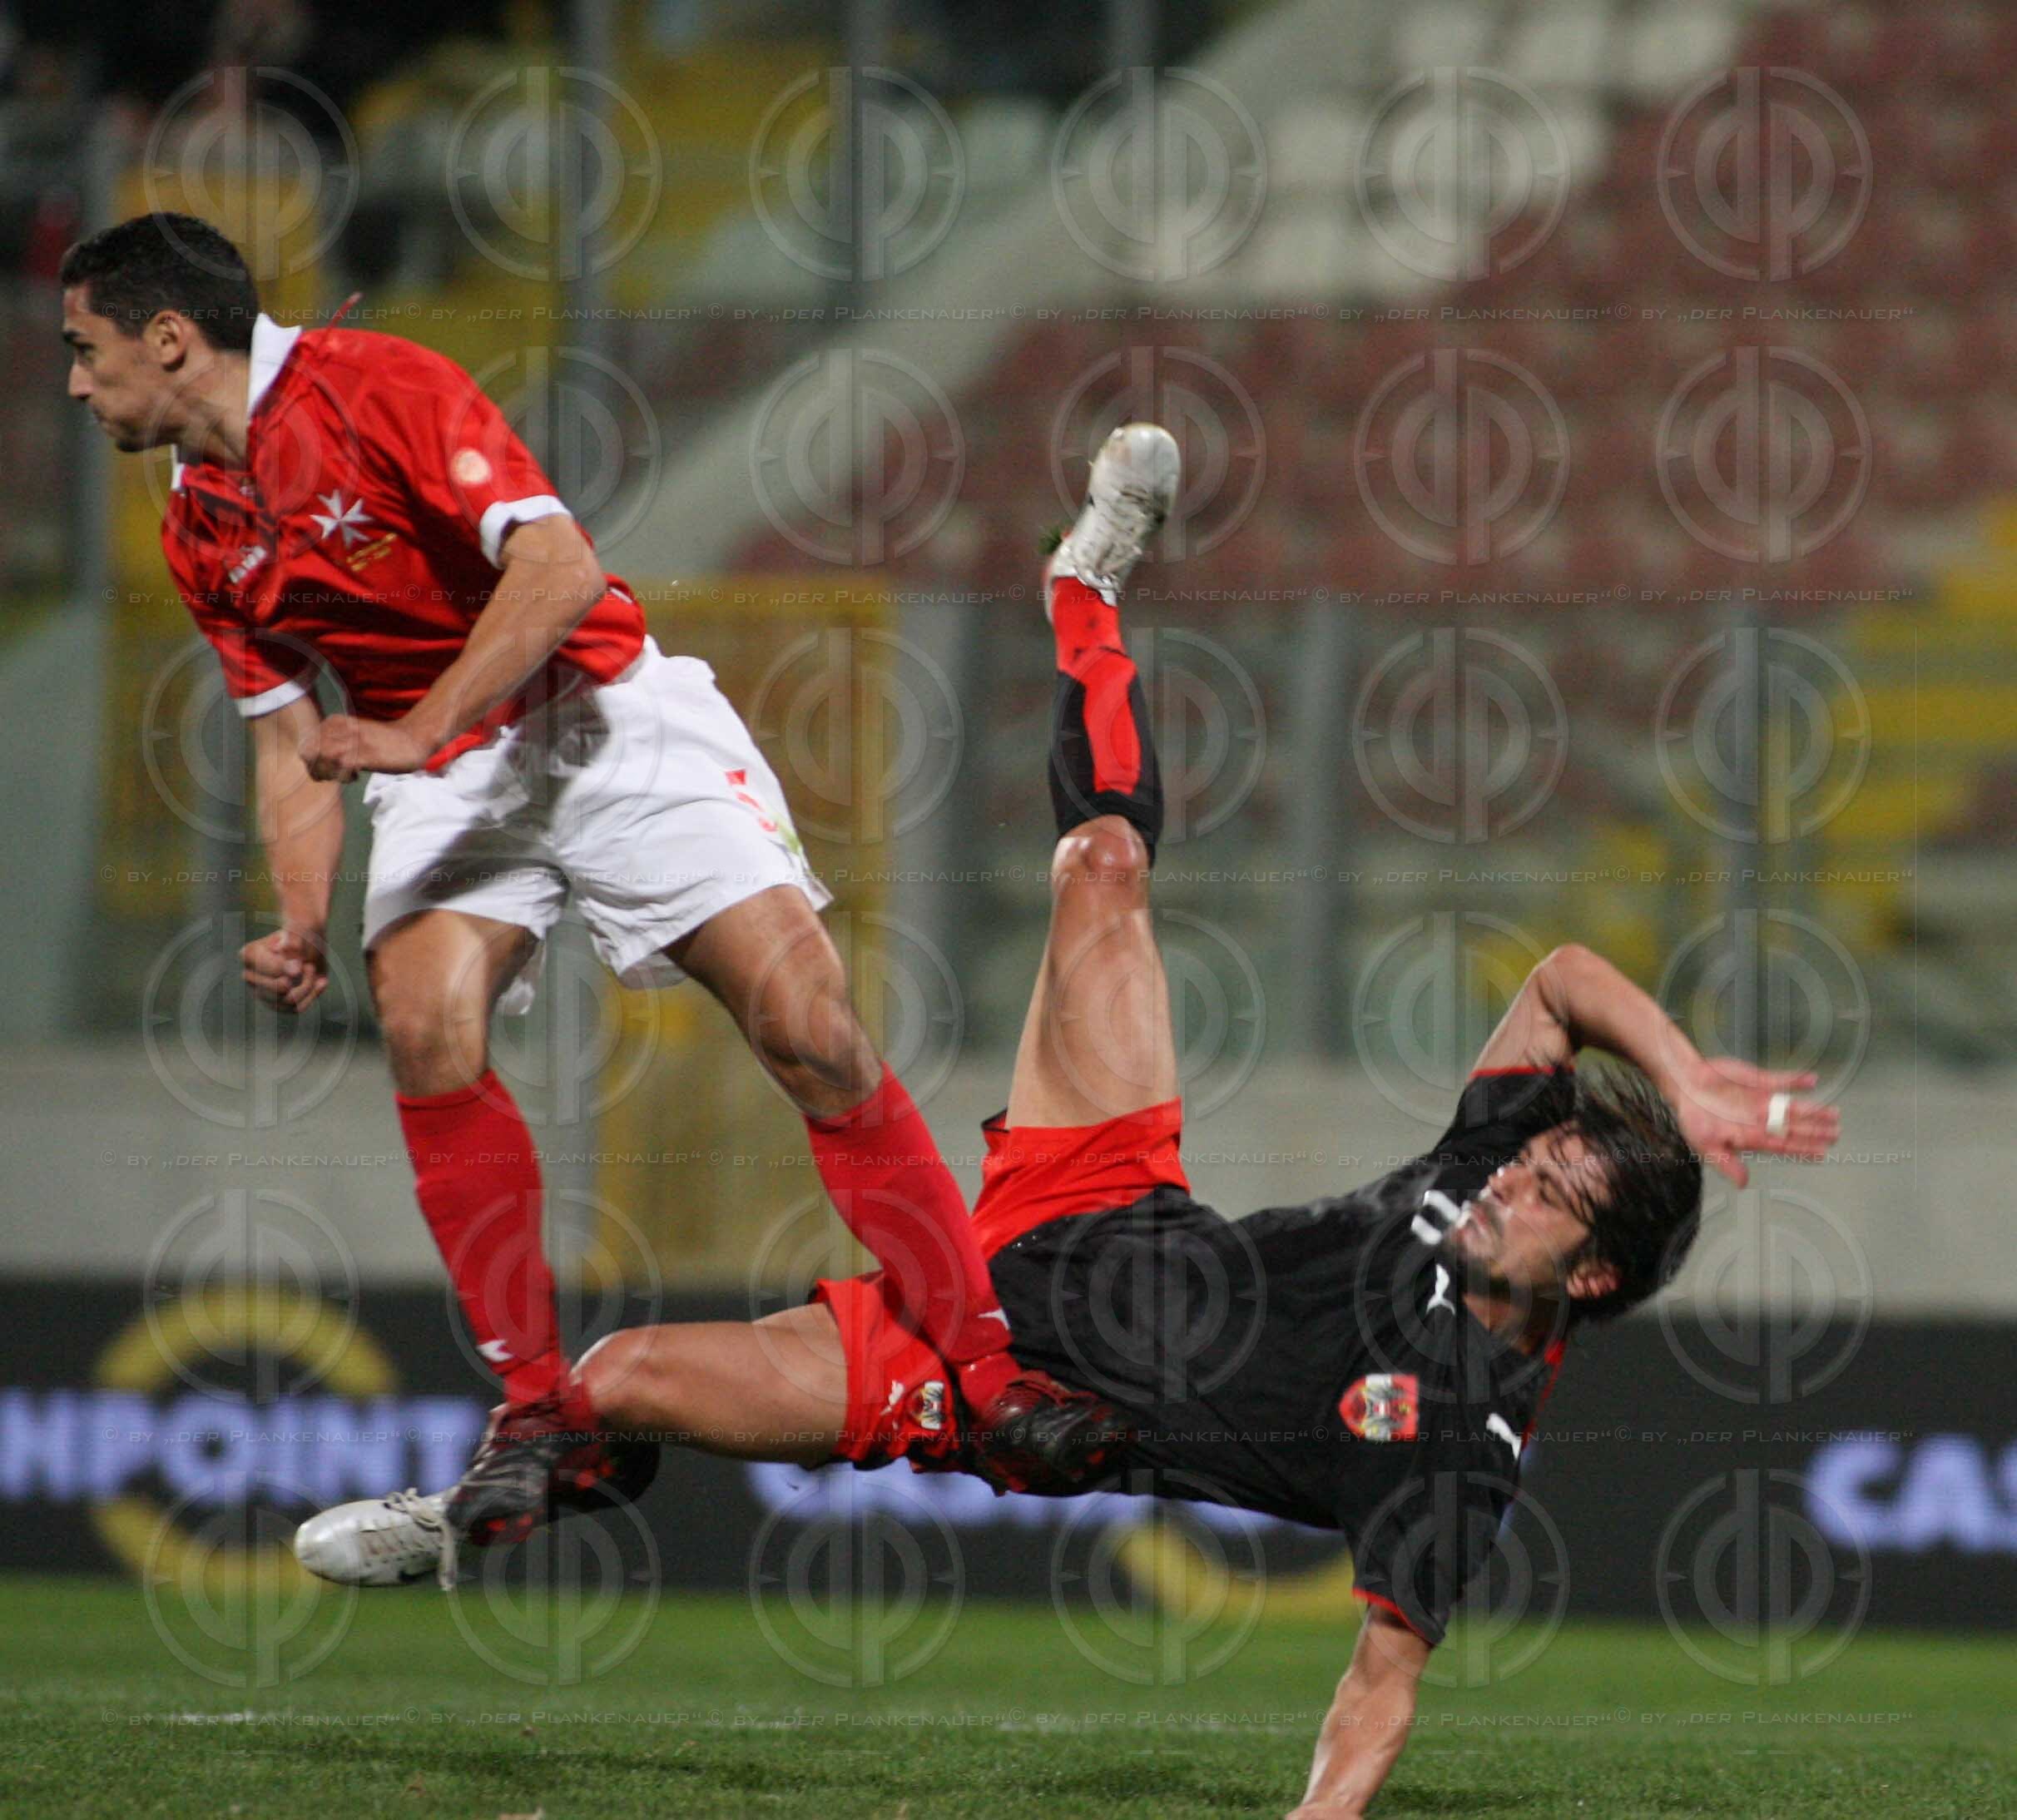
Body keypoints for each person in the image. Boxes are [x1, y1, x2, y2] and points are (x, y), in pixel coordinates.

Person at [296, 424, 1841, 1816]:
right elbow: (1562, 981)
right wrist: (1685, 1071)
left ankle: (507, 1490)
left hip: (1020, 1390)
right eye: (1539, 1155)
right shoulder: (1477, 1177)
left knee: (626, 1374)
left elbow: (1382, 1685)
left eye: (1553, 1190)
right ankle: (1086, 589)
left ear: (1590, 1277)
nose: (1514, 1179)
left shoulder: (1463, 1444)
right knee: (1104, 864)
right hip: (1103, 1195)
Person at [60, 211, 1124, 1545]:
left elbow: (557, 571)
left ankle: (990, 1374)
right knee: (422, 1021)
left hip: (601, 712)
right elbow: (288, 741)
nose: (75, 384)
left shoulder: (377, 386)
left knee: (810, 1029)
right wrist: (301, 917)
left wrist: (421, 724)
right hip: (445, 766)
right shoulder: (197, 526)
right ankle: (539, 1411)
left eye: (86, 349)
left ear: (169, 338)